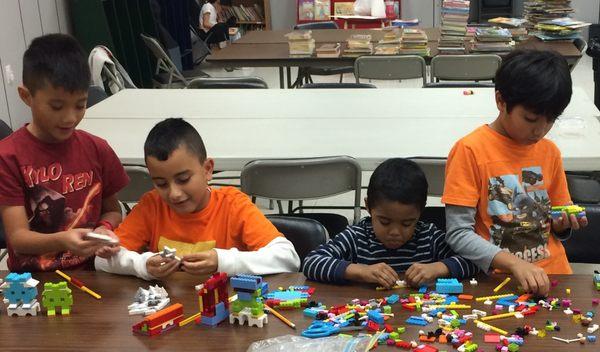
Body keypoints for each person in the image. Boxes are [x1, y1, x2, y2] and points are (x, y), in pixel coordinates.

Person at [442, 50, 588, 296]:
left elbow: (555, 220)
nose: (540, 130)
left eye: (551, 120)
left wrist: (562, 225)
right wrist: (513, 263)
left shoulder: (549, 152)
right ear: (501, 101)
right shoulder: (470, 150)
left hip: (554, 275)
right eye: (530, 119)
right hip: (499, 283)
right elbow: (458, 233)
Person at [95, 118, 300, 280]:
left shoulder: (233, 205)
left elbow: (288, 258)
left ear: (207, 169)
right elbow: (102, 260)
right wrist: (143, 265)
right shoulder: (152, 205)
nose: (174, 193)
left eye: (183, 179)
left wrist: (222, 261)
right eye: (161, 183)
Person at [0, 34, 128, 272]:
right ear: (26, 96)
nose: (70, 118)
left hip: (94, 273)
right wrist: (63, 239)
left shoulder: (97, 149)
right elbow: (18, 238)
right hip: (33, 279)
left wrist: (104, 228)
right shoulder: (8, 157)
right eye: (56, 107)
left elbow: (112, 209)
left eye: (80, 105)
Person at [303, 158, 478, 288]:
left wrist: (439, 268)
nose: (395, 232)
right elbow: (312, 262)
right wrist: (361, 271)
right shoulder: (356, 237)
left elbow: (474, 261)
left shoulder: (429, 237)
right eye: (385, 222)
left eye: (407, 223)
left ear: (420, 212)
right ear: (368, 207)